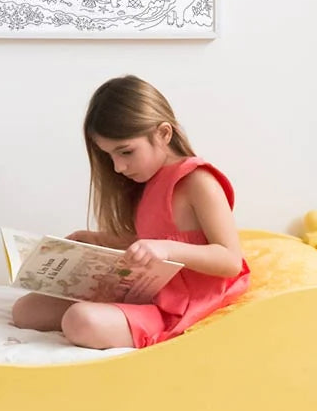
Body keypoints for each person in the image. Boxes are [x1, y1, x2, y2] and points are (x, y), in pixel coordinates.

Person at [12, 75, 250, 349]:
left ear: (163, 133)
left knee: (81, 321)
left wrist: (167, 249)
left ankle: (131, 322)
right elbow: (154, 239)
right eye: (109, 155)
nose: (118, 167)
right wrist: (98, 240)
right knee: (26, 310)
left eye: (125, 152)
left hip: (182, 304)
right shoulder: (148, 182)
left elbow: (230, 259)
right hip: (148, 290)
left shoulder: (198, 182)